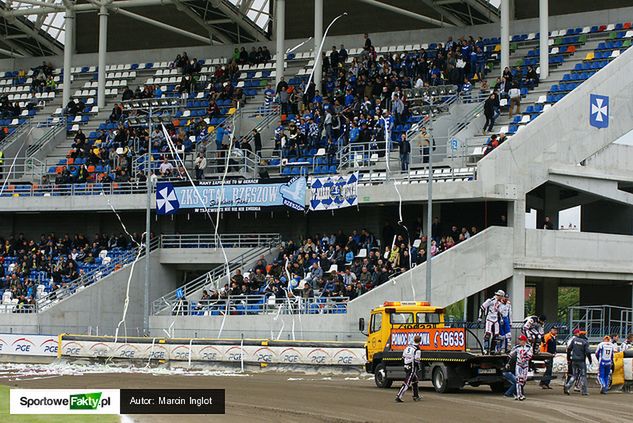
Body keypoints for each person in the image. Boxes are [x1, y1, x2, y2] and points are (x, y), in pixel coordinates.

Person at [395, 334, 422, 402]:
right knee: (407, 382)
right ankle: (399, 396)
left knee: (415, 380)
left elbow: (403, 357)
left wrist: (405, 364)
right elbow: (417, 360)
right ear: (420, 341)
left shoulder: (408, 347)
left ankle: (416, 396)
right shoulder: (417, 349)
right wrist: (419, 368)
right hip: (411, 367)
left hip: (406, 365)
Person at [564, 329, 591, 396]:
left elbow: (569, 349)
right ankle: (584, 391)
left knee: (574, 375)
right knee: (583, 375)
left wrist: (568, 359)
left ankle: (567, 386)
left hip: (574, 360)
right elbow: (588, 352)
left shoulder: (574, 340)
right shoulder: (585, 342)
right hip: (581, 361)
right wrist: (590, 360)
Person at [507, 334, 532, 401]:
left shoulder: (529, 347)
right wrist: (508, 362)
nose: (520, 341)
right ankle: (519, 395)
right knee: (518, 380)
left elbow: (530, 355)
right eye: (519, 340)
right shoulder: (517, 347)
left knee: (524, 380)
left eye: (521, 340)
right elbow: (510, 355)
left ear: (524, 341)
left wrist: (525, 358)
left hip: (525, 366)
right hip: (519, 365)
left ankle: (520, 394)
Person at [478, 289, 504, 354]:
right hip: (489, 319)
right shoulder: (490, 300)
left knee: (496, 335)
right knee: (487, 334)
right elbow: (482, 307)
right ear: (499, 295)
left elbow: (499, 312)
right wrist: (480, 317)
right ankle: (486, 349)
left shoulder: (499, 303)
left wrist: (501, 319)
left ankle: (492, 349)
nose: (502, 298)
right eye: (501, 296)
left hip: (495, 320)